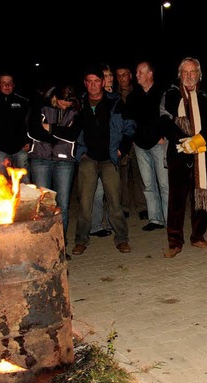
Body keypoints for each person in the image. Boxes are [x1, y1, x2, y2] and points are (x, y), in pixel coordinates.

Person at [159, 57, 207, 258]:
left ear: (199, 74)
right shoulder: (170, 94)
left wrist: (198, 140)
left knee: (200, 197)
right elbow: (165, 120)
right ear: (180, 74)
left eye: (192, 72)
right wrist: (184, 141)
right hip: (178, 153)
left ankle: (198, 237)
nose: (189, 76)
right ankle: (174, 241)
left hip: (202, 154)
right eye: (185, 72)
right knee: (176, 200)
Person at [71, 65, 135, 256]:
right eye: (89, 81)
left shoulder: (114, 102)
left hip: (110, 159)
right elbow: (70, 129)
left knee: (115, 202)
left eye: (96, 81)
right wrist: (78, 152)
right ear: (85, 83)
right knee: (85, 203)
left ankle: (122, 239)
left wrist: (121, 149)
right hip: (88, 158)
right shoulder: (78, 104)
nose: (93, 85)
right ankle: (81, 240)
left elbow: (130, 126)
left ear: (103, 82)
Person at [27, 83, 81, 260]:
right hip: (40, 160)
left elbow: (73, 134)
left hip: (64, 161)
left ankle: (60, 247)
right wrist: (59, 132)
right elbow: (34, 131)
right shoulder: (41, 106)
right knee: (45, 206)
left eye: (69, 102)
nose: (66, 105)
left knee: (63, 206)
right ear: (55, 98)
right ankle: (45, 249)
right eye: (64, 101)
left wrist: (49, 128)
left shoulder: (76, 110)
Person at [127, 60, 168, 232]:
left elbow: (168, 117)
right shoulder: (133, 96)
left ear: (150, 73)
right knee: (148, 184)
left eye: (140, 72)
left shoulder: (162, 93)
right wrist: (133, 139)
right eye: (137, 72)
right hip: (140, 145)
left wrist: (164, 135)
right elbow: (128, 120)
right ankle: (155, 219)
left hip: (159, 144)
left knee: (164, 183)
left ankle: (169, 219)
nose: (136, 75)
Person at [88, 64, 118, 238]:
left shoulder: (115, 99)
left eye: (110, 76)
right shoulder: (91, 98)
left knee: (112, 192)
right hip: (94, 153)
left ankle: (111, 221)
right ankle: (96, 225)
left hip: (111, 152)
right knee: (97, 192)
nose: (109, 79)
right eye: (105, 76)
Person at [115, 65, 147, 221]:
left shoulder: (139, 92)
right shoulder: (114, 96)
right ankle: (124, 207)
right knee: (122, 176)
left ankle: (142, 207)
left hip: (137, 140)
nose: (122, 78)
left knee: (139, 174)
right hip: (121, 141)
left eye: (124, 75)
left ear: (130, 76)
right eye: (119, 76)